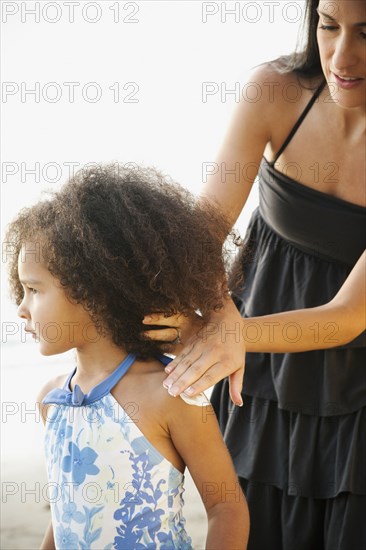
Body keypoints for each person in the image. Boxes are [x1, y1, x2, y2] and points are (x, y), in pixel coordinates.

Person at [142, 0, 366, 548]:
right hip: (261, 378)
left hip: (353, 384)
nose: (341, 55)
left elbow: (348, 316)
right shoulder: (274, 90)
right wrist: (216, 310)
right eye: (328, 26)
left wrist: (231, 336)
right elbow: (206, 227)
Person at [5, 164, 249, 550]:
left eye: (34, 290)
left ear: (92, 290)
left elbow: (226, 508)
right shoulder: (51, 402)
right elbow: (65, 514)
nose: (21, 308)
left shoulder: (170, 393)